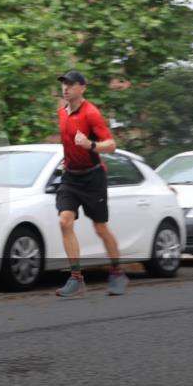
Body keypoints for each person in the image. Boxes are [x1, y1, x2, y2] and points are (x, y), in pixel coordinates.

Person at [53, 70, 128, 297]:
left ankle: (117, 272)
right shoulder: (61, 113)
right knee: (65, 221)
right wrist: (66, 161)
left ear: (82, 87)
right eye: (64, 84)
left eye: (71, 84)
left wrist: (90, 145)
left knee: (100, 228)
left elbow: (111, 145)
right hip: (71, 177)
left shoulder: (91, 113)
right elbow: (68, 143)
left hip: (93, 177)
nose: (65, 88)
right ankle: (76, 278)